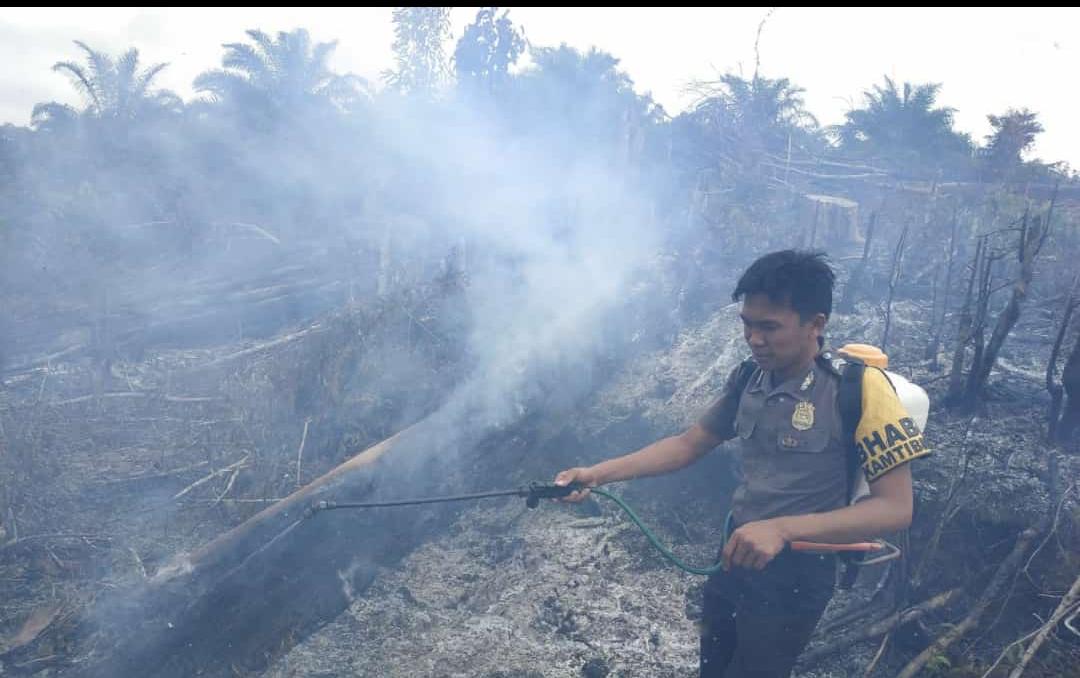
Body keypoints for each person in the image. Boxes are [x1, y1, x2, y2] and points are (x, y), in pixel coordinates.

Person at [554, 250, 931, 677]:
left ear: (816, 324)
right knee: (714, 666)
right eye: (747, 325)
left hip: (798, 571)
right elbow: (688, 443)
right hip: (735, 553)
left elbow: (896, 509)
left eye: (769, 327)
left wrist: (781, 529)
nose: (754, 339)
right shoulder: (749, 377)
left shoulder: (858, 391)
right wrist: (597, 474)